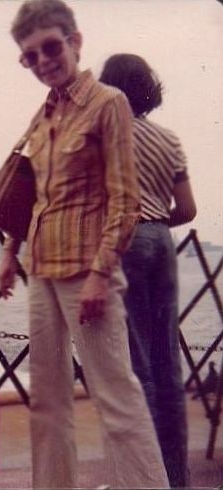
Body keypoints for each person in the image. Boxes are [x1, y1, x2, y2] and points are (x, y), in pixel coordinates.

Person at [0, 1, 169, 488]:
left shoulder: (108, 103)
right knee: (47, 400)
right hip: (41, 270)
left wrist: (100, 274)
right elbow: (31, 193)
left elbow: (126, 200)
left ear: (75, 41)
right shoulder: (42, 115)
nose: (43, 61)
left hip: (86, 271)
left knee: (115, 396)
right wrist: (9, 253)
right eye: (30, 56)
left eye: (50, 47)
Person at [99, 53, 197, 488]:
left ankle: (145, 480)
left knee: (135, 365)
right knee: (167, 366)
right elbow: (188, 209)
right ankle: (176, 478)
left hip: (125, 241)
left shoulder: (107, 135)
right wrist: (155, 223)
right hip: (162, 243)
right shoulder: (169, 139)